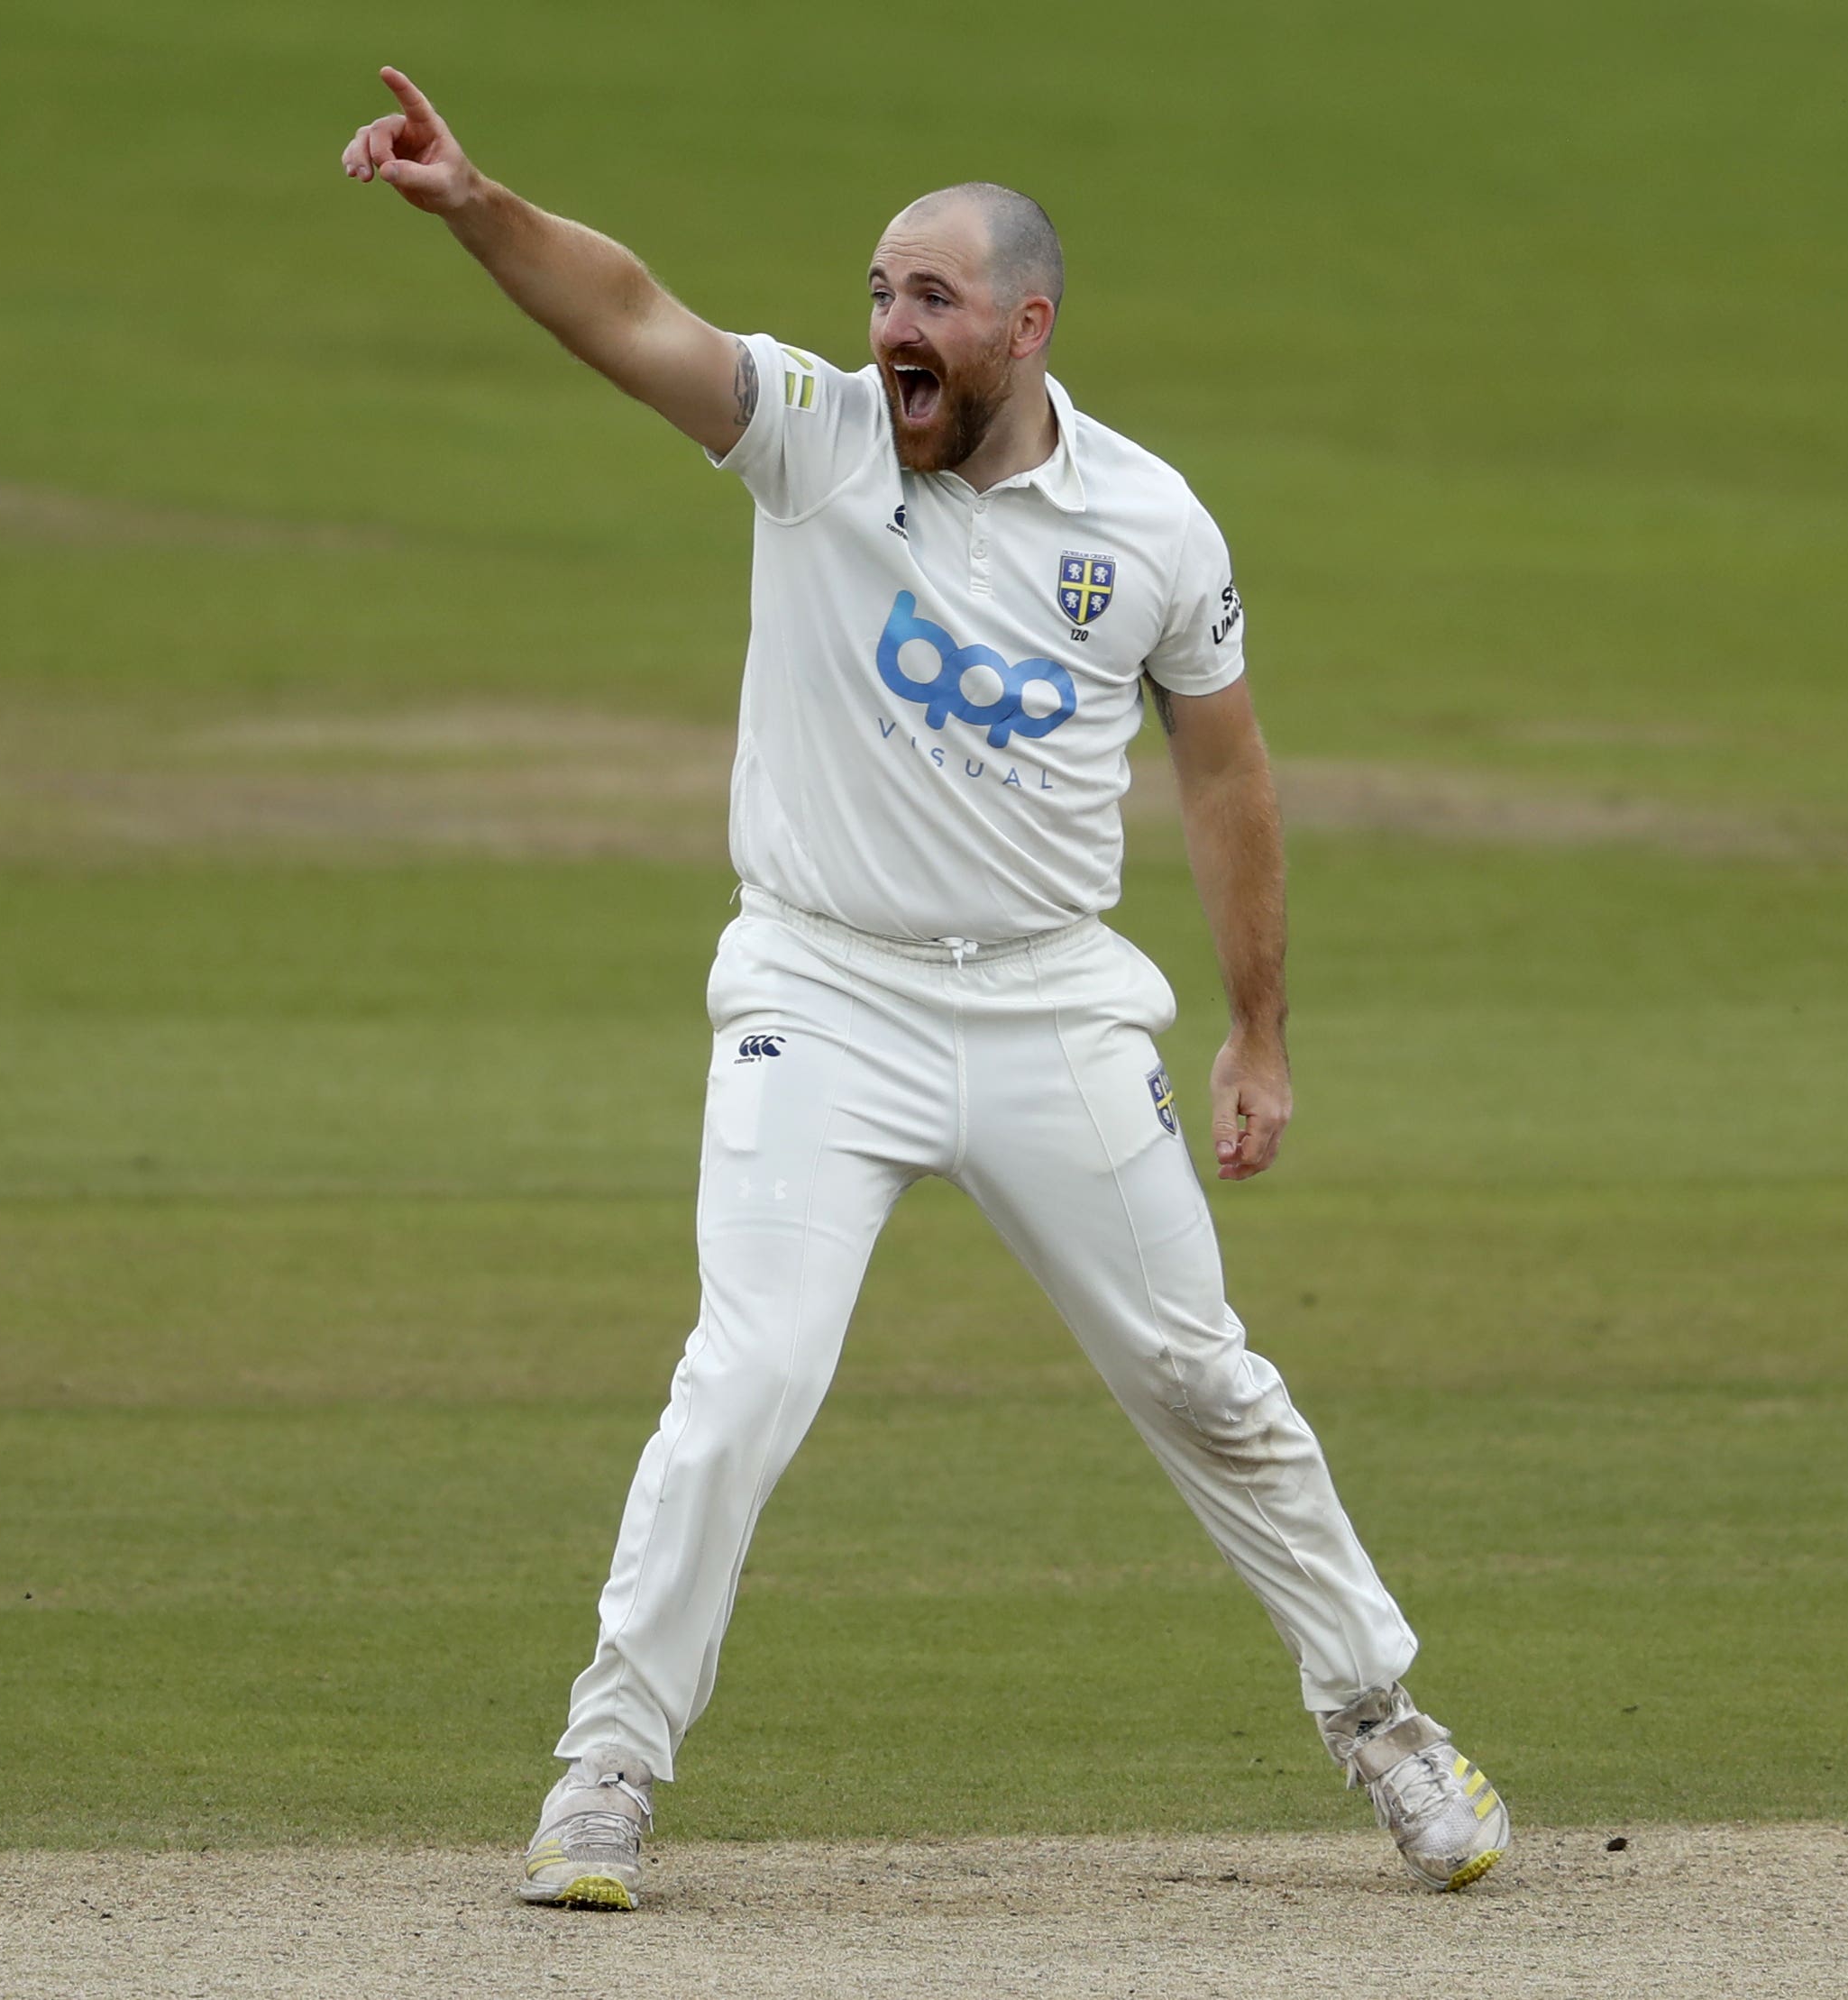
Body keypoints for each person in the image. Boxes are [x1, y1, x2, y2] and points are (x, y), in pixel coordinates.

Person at [341, 64, 1508, 1910]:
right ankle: (602, 1778)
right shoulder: (807, 435)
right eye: (878, 293)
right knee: (746, 1379)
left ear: (1025, 327)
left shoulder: (1151, 529)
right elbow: (631, 312)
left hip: (1051, 1008)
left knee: (1199, 1376)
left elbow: (1224, 773)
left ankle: (1383, 1722)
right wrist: (478, 205)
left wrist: (1258, 1027)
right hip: (824, 992)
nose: (889, 328)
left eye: (930, 301)